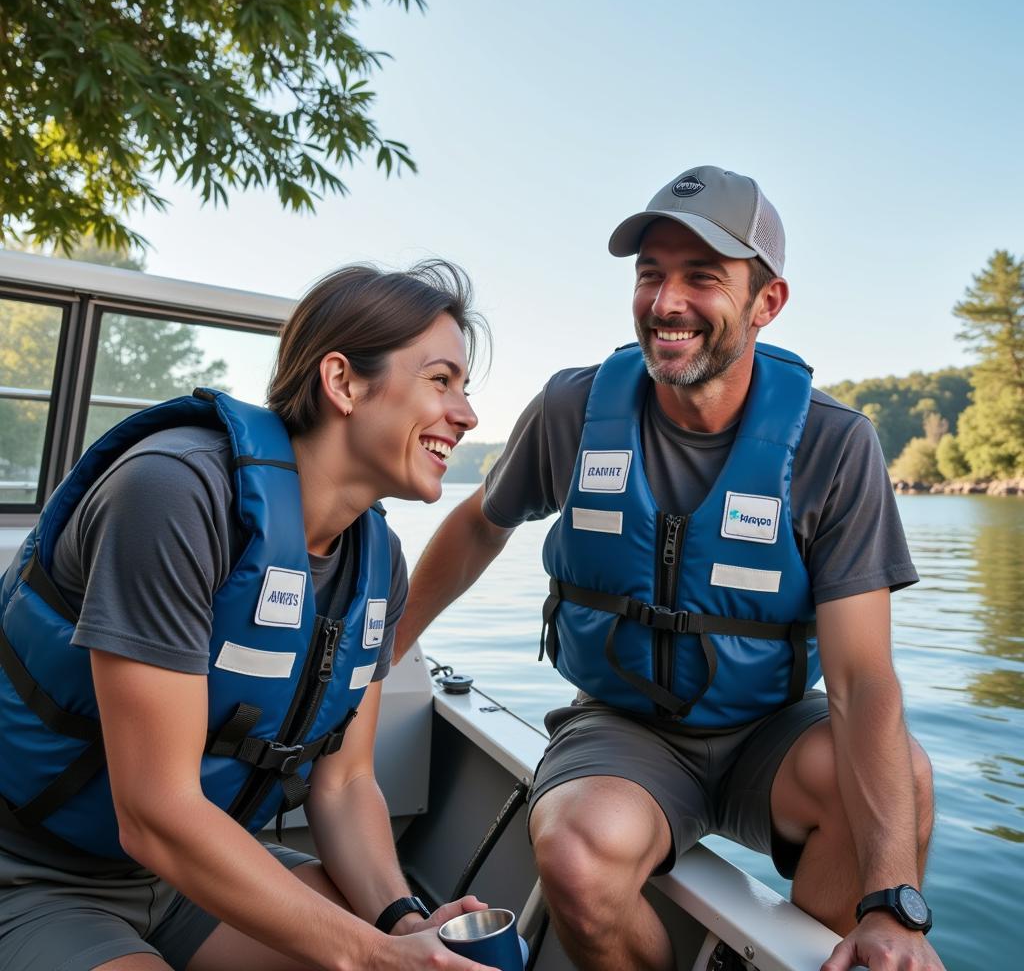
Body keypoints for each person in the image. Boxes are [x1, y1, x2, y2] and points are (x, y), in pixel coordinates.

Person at [394, 168, 945, 971]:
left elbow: (863, 681)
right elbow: (481, 524)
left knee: (909, 779)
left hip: (770, 730)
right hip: (623, 724)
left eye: (702, 277)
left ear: (768, 303)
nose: (666, 301)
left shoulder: (835, 445)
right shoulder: (575, 409)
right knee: (577, 858)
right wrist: (383, 647)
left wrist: (893, 902)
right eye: (651, 273)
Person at [0, 262, 502, 971]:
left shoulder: (377, 561)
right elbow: (155, 813)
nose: (467, 415)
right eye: (441, 380)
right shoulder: (174, 495)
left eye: (465, 389)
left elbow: (347, 782)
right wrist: (374, 957)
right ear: (344, 382)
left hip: (193, 876)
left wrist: (404, 926)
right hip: (35, 873)